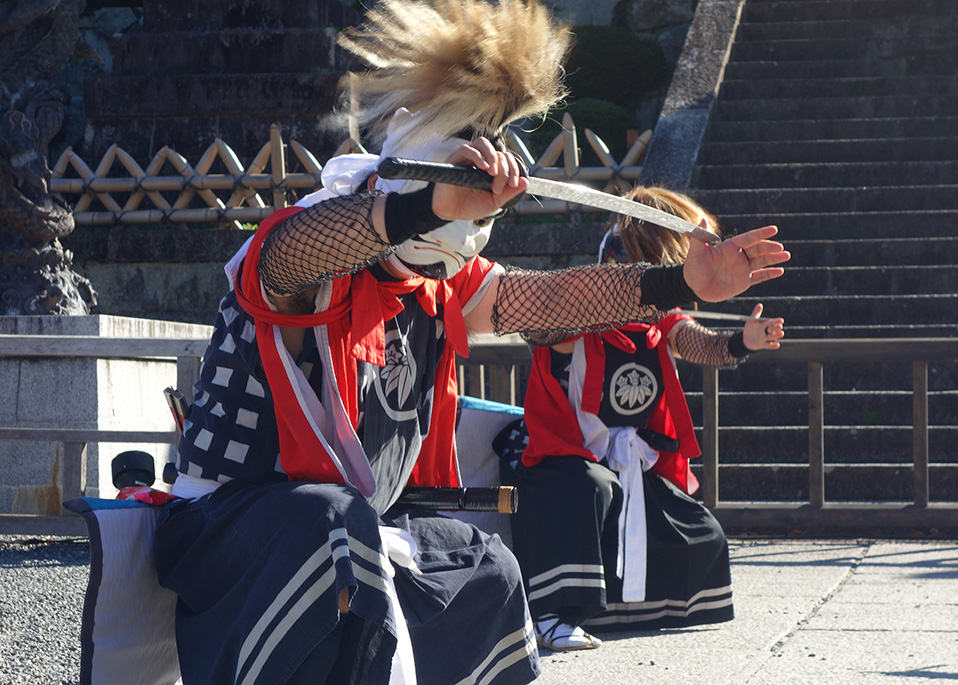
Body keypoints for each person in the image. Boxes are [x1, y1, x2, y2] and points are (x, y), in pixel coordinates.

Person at [151, 0, 790, 682]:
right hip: (232, 525)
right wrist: (424, 206)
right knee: (329, 527)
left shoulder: (442, 283)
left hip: (354, 524)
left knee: (485, 566)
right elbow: (289, 255)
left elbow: (545, 303)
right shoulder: (309, 248)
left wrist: (678, 284)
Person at [495, 186, 785, 652]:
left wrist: (741, 342)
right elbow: (542, 324)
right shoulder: (574, 320)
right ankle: (552, 613)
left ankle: (641, 609)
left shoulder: (659, 324)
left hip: (630, 461)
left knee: (699, 531)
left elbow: (696, 341)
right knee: (589, 487)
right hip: (559, 459)